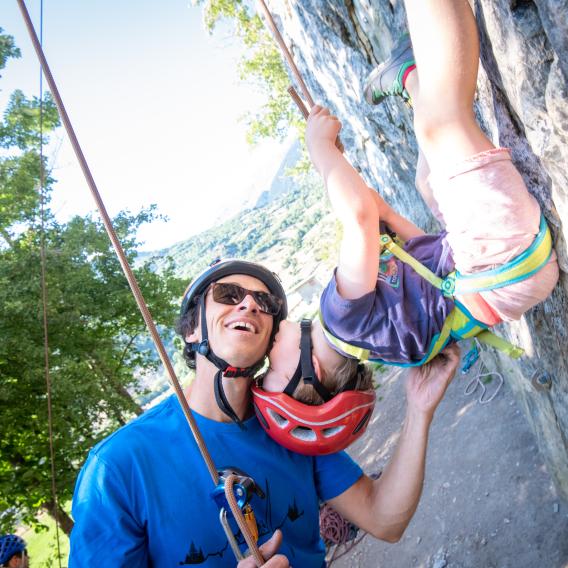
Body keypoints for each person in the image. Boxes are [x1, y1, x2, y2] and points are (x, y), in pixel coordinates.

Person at [261, 0, 559, 409]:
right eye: (271, 373)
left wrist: (377, 212)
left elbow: (423, 262)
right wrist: (321, 152)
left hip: (501, 281)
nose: (265, 358)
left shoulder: (383, 348)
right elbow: (360, 216)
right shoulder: (337, 317)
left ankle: (412, 75)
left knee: (427, 180)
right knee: (442, 124)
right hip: (496, 258)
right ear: (311, 368)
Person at [69, 257, 460, 567]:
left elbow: (384, 519)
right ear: (192, 331)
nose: (250, 303)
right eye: (227, 293)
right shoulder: (117, 468)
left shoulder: (290, 430)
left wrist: (419, 410)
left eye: (266, 302)